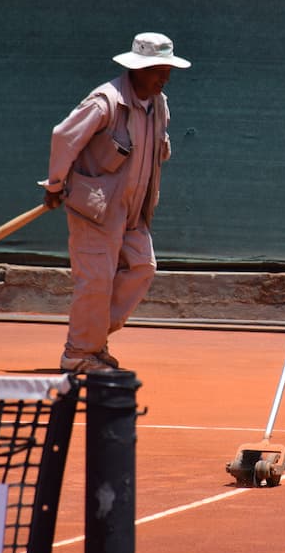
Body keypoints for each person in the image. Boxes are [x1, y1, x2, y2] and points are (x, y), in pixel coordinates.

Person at [38, 32, 190, 373]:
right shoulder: (105, 100)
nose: (163, 77)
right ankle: (79, 353)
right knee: (95, 280)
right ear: (136, 69)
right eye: (156, 69)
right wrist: (55, 184)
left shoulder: (159, 104)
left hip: (134, 210)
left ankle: (89, 338)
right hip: (95, 209)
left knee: (142, 267)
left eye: (167, 69)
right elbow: (65, 136)